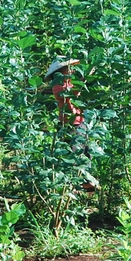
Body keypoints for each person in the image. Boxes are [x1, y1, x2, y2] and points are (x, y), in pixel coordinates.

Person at [44, 58, 99, 192]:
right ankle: (78, 183)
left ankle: (86, 182)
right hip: (69, 123)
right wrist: (83, 79)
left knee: (86, 151)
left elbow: (76, 92)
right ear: (60, 72)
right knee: (75, 152)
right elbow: (69, 95)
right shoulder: (57, 86)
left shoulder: (68, 82)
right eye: (68, 68)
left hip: (80, 121)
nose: (71, 70)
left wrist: (83, 79)